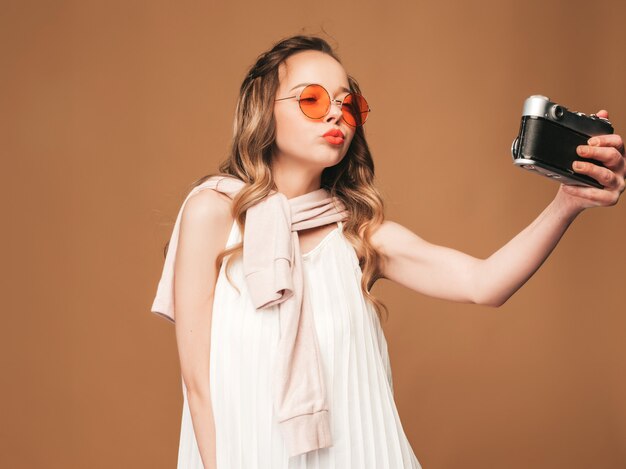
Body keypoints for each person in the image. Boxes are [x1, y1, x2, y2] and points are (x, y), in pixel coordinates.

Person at [150, 34, 625, 469]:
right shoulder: (212, 213)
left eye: (348, 104)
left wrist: (568, 202)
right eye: (312, 100)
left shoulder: (359, 233)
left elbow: (484, 284)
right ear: (263, 111)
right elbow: (198, 385)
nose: (336, 114)